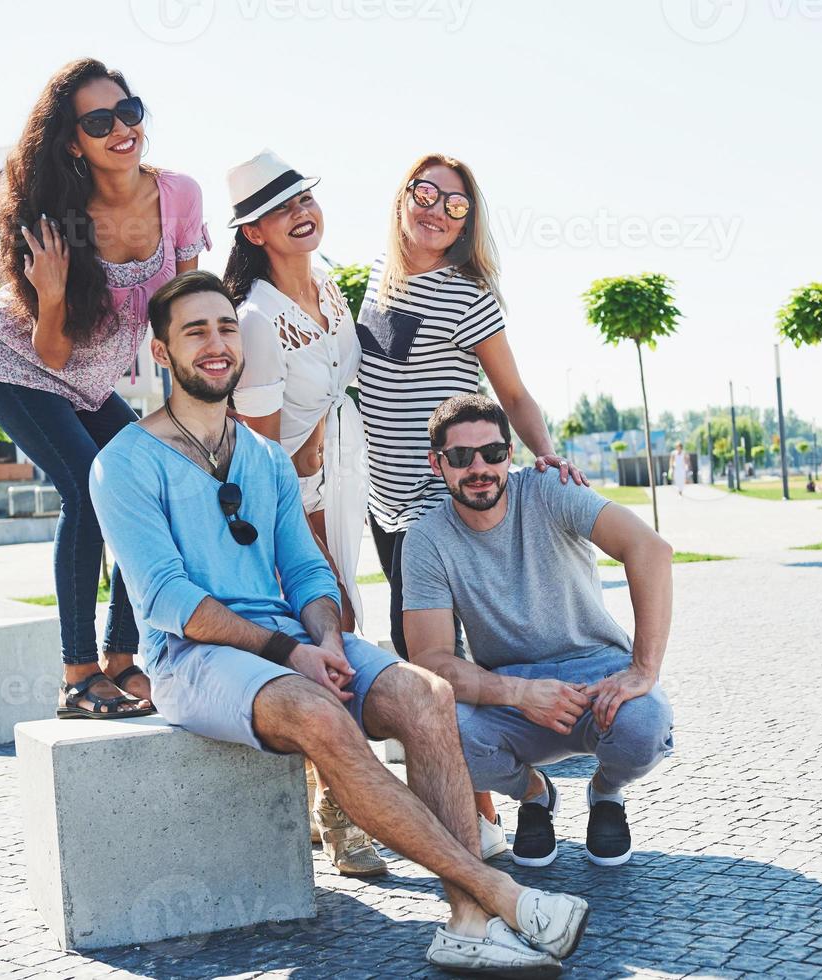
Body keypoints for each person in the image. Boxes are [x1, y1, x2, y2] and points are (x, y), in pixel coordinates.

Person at [90, 272, 589, 976]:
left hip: (292, 643)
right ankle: (498, 893)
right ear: (161, 353)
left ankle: (468, 922)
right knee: (315, 709)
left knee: (427, 695)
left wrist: (324, 636)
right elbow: (170, 599)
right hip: (193, 658)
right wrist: (291, 652)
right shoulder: (123, 463)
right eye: (195, 331)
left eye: (226, 328)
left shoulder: (263, 458)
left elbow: (307, 572)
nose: (216, 344)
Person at [0, 58, 208, 719]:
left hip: (91, 383)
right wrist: (51, 290)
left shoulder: (178, 195)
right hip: (15, 364)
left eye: (129, 112)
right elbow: (53, 349)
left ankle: (123, 660)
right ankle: (77, 675)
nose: (121, 129)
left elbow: (181, 310)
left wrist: (189, 416)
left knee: (146, 487)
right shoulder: (56, 219)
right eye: (99, 122)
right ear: (74, 140)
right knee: (85, 488)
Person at [354, 152, 584, 854]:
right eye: (425, 193)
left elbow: (510, 392)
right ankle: (519, 792)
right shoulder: (377, 284)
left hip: (439, 497)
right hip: (383, 497)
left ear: (466, 222)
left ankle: (476, 818)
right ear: (402, 198)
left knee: (434, 660)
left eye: (454, 204)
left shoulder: (467, 294)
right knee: (413, 653)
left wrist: (543, 454)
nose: (435, 209)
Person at [404, 395, 675, 869]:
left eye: (493, 453)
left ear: (511, 453)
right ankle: (534, 795)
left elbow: (650, 549)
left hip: (598, 674)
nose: (479, 468)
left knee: (645, 725)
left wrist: (643, 669)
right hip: (510, 692)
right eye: (461, 458)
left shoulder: (551, 489)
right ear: (436, 464)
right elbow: (430, 661)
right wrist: (519, 692)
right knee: (438, 731)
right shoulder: (426, 539)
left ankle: (606, 794)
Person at [221, 149, 384, 877]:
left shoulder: (326, 284)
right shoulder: (255, 319)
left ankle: (331, 793)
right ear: (252, 232)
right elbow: (259, 456)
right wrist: (307, 521)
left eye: (305, 198)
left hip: (346, 478)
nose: (301, 212)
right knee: (333, 633)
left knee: (344, 630)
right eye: (281, 208)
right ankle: (341, 810)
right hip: (294, 495)